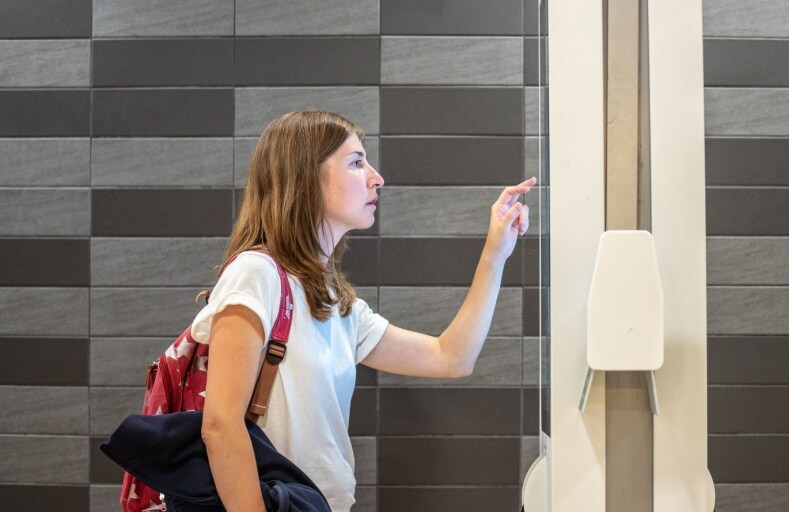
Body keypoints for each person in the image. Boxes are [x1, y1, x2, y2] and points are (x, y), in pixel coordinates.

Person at [191, 111, 536, 512]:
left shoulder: (335, 301)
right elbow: (220, 426)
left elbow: (451, 357)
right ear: (305, 178)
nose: (376, 177)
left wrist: (496, 253)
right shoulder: (257, 275)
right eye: (356, 163)